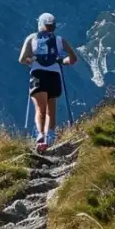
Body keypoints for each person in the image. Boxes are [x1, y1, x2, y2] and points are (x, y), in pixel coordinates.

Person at [18, 12, 78, 151]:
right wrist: (62, 61)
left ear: (40, 24)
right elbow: (73, 59)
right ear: (53, 26)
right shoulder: (60, 40)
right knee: (51, 109)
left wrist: (31, 61)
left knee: (40, 109)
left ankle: (40, 135)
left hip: (38, 74)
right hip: (54, 75)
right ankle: (49, 137)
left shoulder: (31, 38)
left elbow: (22, 59)